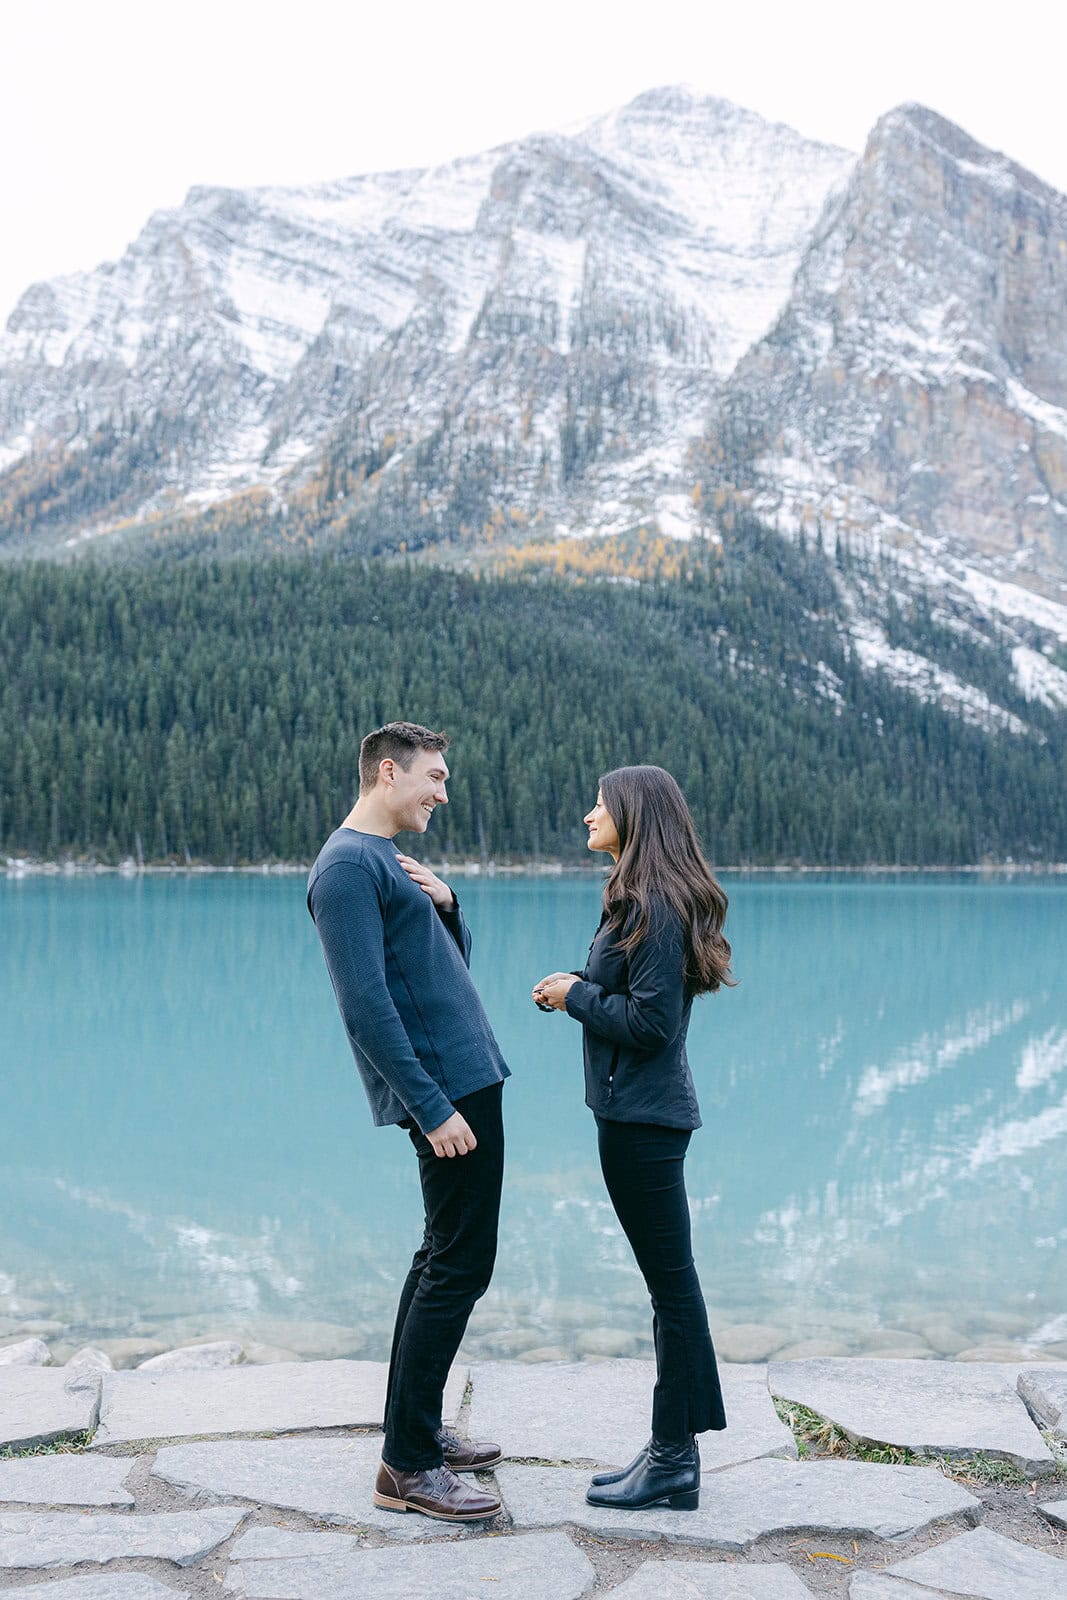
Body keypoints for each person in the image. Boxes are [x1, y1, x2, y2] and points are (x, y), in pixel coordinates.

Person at [307, 721, 508, 1523]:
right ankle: (408, 1464)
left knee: (444, 1254)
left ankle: (415, 1430)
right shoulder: (348, 868)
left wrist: (451, 904)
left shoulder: (389, 862)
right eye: (434, 776)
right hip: (446, 1095)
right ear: (386, 772)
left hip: (465, 1081)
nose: (443, 792)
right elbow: (364, 1007)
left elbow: (441, 969)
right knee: (459, 1262)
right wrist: (430, 1108)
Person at [532, 764, 733, 1512]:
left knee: (671, 1289)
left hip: (645, 1123)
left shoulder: (653, 903)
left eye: (600, 803)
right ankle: (667, 1450)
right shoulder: (637, 899)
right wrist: (576, 993)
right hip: (633, 1116)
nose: (588, 813)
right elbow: (637, 1006)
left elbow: (651, 1025)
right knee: (668, 1288)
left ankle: (675, 1458)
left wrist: (573, 993)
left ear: (633, 815)